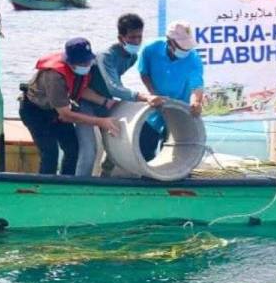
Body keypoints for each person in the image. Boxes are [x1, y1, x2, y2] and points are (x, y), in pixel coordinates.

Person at [75, 14, 163, 177]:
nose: (136, 41)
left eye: (139, 37)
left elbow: (116, 81)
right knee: (89, 150)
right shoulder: (106, 56)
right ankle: (79, 187)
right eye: (131, 37)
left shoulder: (132, 57)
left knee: (118, 143)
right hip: (86, 101)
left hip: (107, 103)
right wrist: (144, 96)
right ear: (121, 38)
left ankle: (106, 177)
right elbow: (114, 87)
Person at [19, 37, 120, 175]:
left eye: (88, 60)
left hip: (57, 110)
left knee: (73, 148)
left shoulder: (83, 68)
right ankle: (45, 190)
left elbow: (81, 89)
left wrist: (105, 101)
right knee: (50, 153)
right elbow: (65, 115)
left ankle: (67, 184)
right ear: (70, 62)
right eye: (83, 62)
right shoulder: (54, 76)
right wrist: (101, 122)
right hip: (35, 112)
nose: (87, 64)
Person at [138, 20, 204, 161]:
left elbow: (196, 85)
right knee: (144, 147)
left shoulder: (193, 59)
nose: (185, 51)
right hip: (155, 106)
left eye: (188, 47)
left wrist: (196, 102)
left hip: (179, 109)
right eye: (182, 47)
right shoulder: (150, 49)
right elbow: (144, 73)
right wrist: (152, 92)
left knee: (176, 153)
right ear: (170, 41)